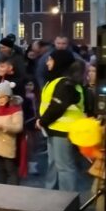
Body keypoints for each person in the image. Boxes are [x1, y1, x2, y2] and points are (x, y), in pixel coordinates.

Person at [38, 49, 86, 193]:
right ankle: (51, 193)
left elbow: (57, 107)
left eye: (50, 59)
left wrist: (42, 121)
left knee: (64, 167)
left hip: (63, 130)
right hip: (54, 128)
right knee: (54, 164)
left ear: (59, 62)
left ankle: (67, 198)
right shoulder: (59, 81)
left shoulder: (65, 83)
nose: (47, 62)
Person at [0, 82, 24, 185]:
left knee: (11, 170)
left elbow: (18, 127)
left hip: (8, 144)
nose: (0, 100)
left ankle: (13, 191)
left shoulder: (15, 109)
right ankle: (1, 191)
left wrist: (4, 127)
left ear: (8, 96)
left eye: (3, 97)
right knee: (0, 171)